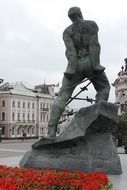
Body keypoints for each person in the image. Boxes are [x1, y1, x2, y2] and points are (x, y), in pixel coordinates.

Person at [48, 7, 110, 137]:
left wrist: (71, 68)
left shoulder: (67, 31)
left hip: (74, 66)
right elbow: (94, 45)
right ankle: (96, 117)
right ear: (81, 14)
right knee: (104, 88)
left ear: (70, 18)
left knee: (62, 96)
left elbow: (71, 51)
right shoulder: (91, 25)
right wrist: (96, 65)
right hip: (90, 61)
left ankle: (51, 131)